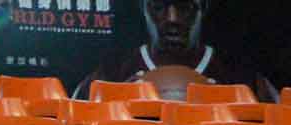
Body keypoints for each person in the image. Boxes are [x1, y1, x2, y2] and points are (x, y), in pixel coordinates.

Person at [81, 0, 274, 102]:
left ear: (203, 7)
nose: (172, 18)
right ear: (143, 8)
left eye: (185, 7)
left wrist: (232, 110)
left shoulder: (242, 78)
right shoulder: (110, 75)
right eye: (158, 7)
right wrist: (114, 105)